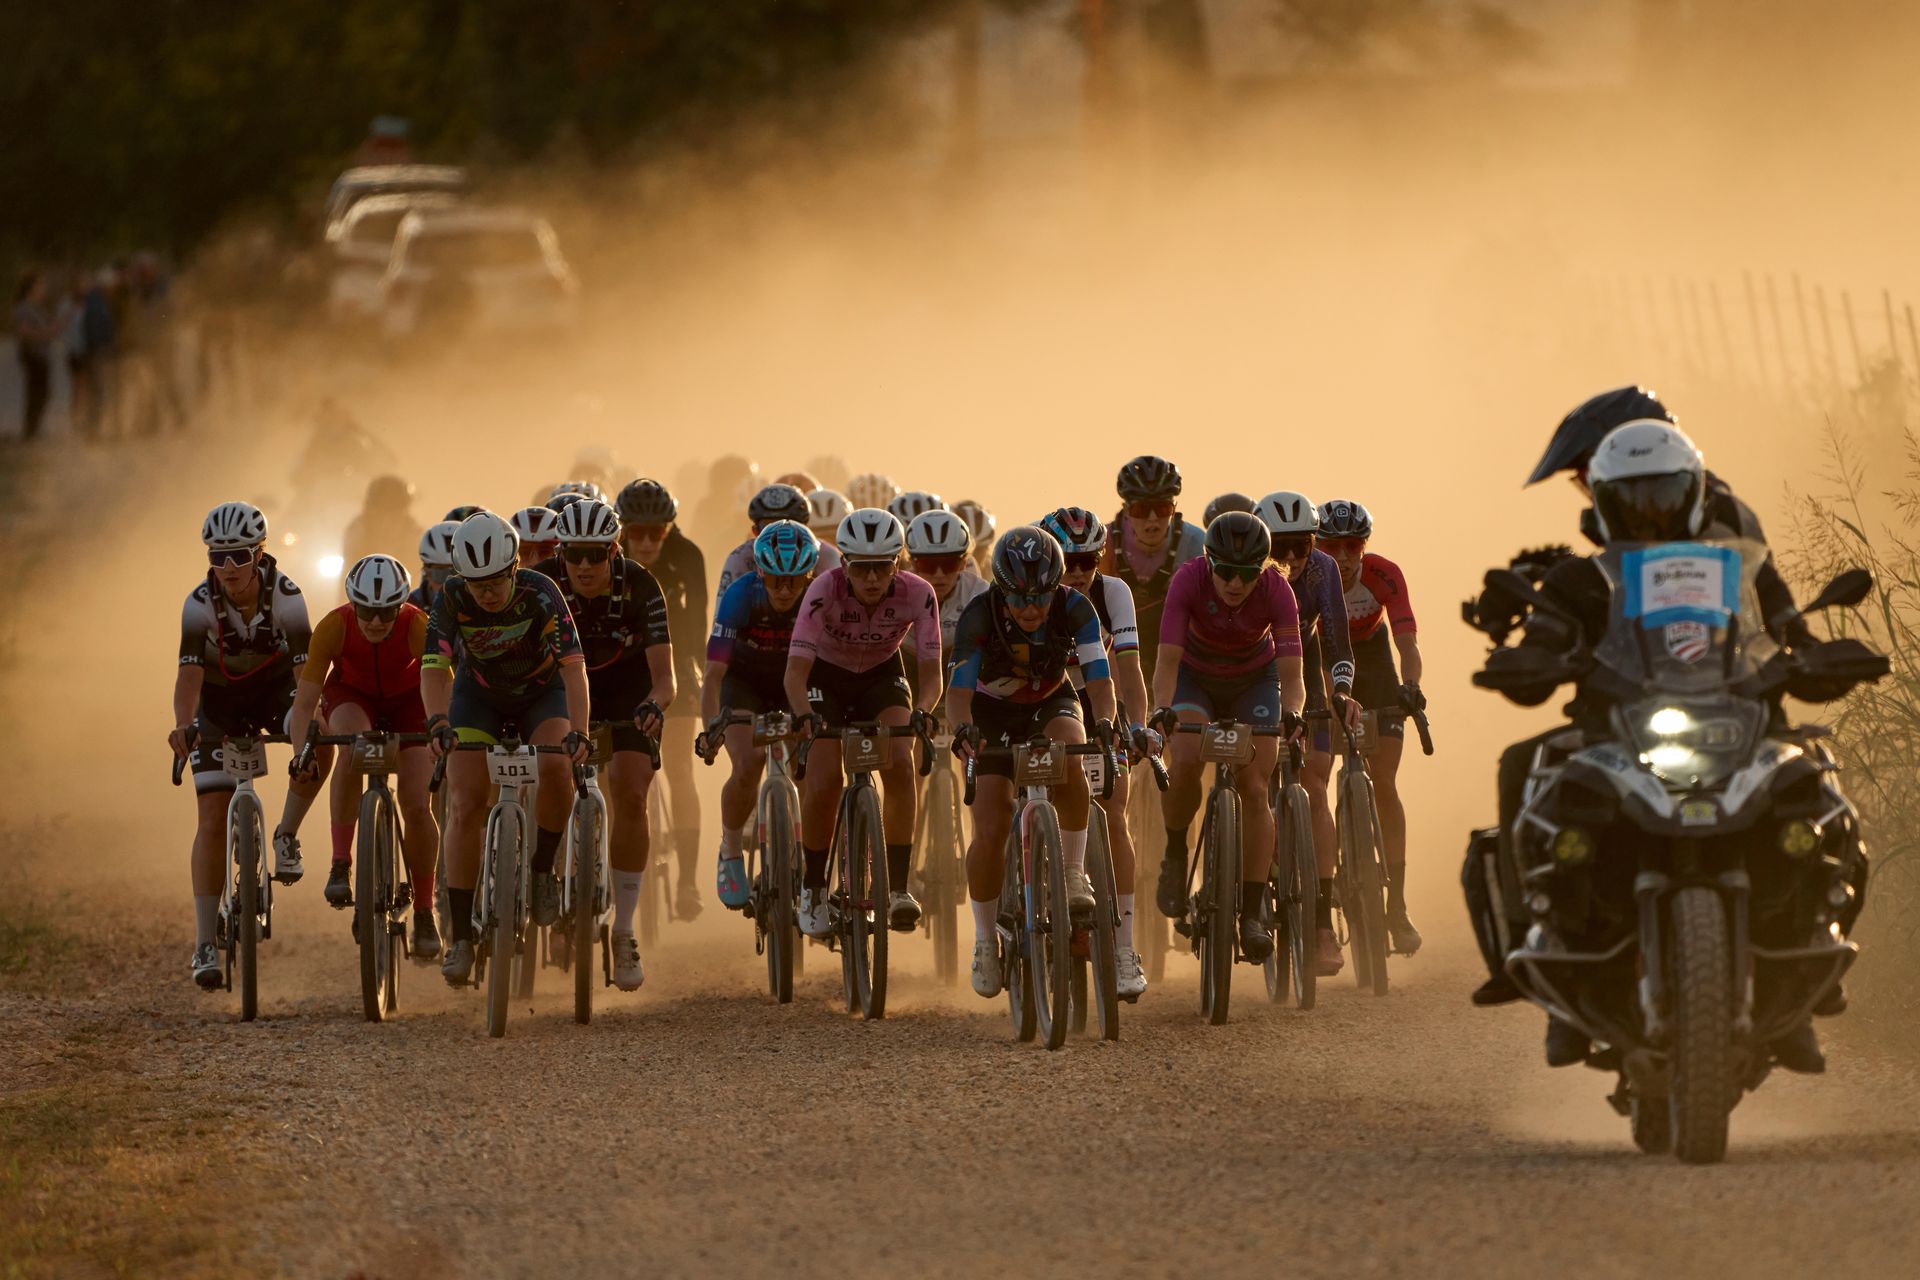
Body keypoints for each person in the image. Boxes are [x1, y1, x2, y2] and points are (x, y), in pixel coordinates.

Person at [1476, 419, 1829, 1074]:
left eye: (1662, 494)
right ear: (1603, 504)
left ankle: (1808, 974)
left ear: (1693, 494)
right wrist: (1530, 660)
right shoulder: (1582, 580)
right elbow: (1545, 639)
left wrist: (1819, 655)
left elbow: (1790, 629)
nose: (1649, 511)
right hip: (1616, 734)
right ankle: (1545, 947)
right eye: (1630, 498)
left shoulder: (1742, 568)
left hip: (1741, 725)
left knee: (1815, 788)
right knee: (1529, 768)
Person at [949, 526, 1119, 998]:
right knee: (990, 824)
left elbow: (1099, 682)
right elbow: (958, 695)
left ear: (1056, 588)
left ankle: (1071, 873)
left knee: (1071, 750)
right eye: (1020, 598)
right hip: (991, 710)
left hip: (1050, 701)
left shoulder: (1075, 608)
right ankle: (985, 940)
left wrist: (1106, 720)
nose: (1031, 609)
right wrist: (964, 730)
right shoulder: (978, 614)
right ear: (1001, 589)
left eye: (1041, 597)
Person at [422, 512, 592, 986]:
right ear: (462, 579)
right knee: (464, 803)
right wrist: (437, 720)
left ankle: (542, 871)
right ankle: (460, 935)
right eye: (477, 585)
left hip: (542, 693)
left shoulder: (542, 593)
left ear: (515, 567)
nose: (488, 594)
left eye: (496, 581)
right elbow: (434, 666)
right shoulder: (452, 596)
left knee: (558, 769)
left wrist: (578, 731)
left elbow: (574, 668)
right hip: (478, 699)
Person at [169, 502, 328, 989]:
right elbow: (189, 676)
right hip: (217, 700)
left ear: (260, 553)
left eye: (238, 556)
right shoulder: (197, 604)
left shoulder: (289, 597)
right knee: (212, 818)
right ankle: (202, 944)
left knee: (318, 742)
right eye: (219, 558)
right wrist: (182, 725)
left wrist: (305, 740)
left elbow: (305, 678)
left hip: (274, 692)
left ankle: (286, 833)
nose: (229, 568)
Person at [1149, 511, 1307, 963]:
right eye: (1226, 572)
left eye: (1247, 574)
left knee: (1256, 786)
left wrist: (1292, 712)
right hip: (1194, 680)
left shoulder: (1278, 589)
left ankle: (1253, 910)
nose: (1236, 584)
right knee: (1185, 757)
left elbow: (1291, 673)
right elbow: (1166, 663)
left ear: (1263, 568)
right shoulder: (1188, 581)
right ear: (1208, 563)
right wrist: (1162, 707)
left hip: (1253, 682)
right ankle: (1176, 857)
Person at [531, 499, 674, 991]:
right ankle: (543, 874)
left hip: (626, 693)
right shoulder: (541, 582)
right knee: (549, 779)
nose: (586, 566)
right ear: (560, 552)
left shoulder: (641, 584)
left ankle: (625, 929)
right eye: (575, 555)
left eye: (596, 554)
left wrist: (656, 704)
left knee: (630, 791)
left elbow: (665, 678)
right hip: (557, 691)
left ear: (614, 549)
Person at [783, 508, 943, 935]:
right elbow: (795, 673)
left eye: (882, 567)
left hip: (881, 677)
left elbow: (930, 674)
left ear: (898, 563)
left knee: (901, 762)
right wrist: (803, 717)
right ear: (844, 565)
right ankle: (813, 888)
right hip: (825, 680)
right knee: (823, 780)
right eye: (862, 569)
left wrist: (924, 710)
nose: (872, 579)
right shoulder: (823, 590)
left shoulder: (919, 593)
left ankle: (898, 889)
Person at [287, 554, 440, 956]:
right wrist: (301, 751)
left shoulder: (418, 626)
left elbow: (443, 687)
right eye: (367, 611)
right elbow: (305, 704)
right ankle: (341, 861)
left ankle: (425, 909)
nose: (375, 621)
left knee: (416, 803)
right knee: (354, 746)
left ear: (401, 605)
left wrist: (443, 737)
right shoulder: (333, 627)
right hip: (352, 696)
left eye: (386, 611)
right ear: (352, 605)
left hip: (410, 702)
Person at [1040, 506, 1155, 999]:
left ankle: (1124, 947)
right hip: (1044, 698)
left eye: (1089, 560)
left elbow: (1129, 669)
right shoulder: (1034, 596)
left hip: (1099, 694)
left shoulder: (1114, 594)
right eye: (1069, 560)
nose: (1080, 571)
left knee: (1114, 811)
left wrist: (1138, 726)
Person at [1255, 490, 1362, 975]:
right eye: (1281, 548)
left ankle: (1320, 923)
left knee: (1317, 786)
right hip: (1254, 668)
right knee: (1254, 783)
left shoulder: (1323, 570)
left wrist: (1340, 690)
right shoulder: (1248, 570)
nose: (1293, 559)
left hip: (1307, 666)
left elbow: (1338, 638)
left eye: (1302, 546)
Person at [1317, 498, 1424, 953]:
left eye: (1353, 545)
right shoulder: (1308, 579)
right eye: (1332, 545)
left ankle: (1396, 907)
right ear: (1318, 545)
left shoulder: (1384, 574)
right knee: (1314, 775)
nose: (1343, 556)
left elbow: (1407, 641)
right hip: (1321, 659)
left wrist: (1412, 686)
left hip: (1374, 662)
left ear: (1365, 547)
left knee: (1384, 783)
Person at [698, 520, 822, 909]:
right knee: (748, 762)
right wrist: (710, 731)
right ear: (760, 573)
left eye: (795, 581)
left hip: (799, 682)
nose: (785, 591)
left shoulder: (817, 599)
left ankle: (812, 855)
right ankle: (731, 850)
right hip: (745, 683)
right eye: (775, 582)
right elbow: (714, 674)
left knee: (815, 768)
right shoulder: (740, 595)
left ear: (809, 576)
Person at [615, 478, 709, 919]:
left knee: (678, 766)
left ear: (671, 529)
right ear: (623, 531)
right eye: (638, 532)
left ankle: (688, 881)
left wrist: (692, 674)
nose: (649, 541)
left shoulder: (687, 555)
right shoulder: (607, 556)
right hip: (621, 663)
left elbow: (697, 618)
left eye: (658, 532)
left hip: (674, 661)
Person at [1101, 456, 1206, 692]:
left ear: (1174, 509)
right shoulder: (1105, 543)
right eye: (1140, 509)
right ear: (1126, 510)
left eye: (1161, 508)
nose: (1152, 520)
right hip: (1117, 639)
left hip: (1176, 640)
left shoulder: (1196, 543)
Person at [716, 483, 841, 596]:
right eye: (768, 527)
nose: (778, 535)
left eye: (788, 526)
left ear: (806, 529)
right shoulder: (740, 558)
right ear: (755, 532)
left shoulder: (827, 555)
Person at [342, 475, 423, 573]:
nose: (387, 521)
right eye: (381, 511)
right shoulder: (359, 527)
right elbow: (351, 555)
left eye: (394, 514)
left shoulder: (412, 530)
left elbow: (418, 563)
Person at [12, 271, 57, 440]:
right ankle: (30, 429)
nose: (43, 290)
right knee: (36, 392)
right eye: (40, 286)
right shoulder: (24, 307)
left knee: (41, 392)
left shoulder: (38, 308)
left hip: (40, 355)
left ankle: (33, 428)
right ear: (31, 288)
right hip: (32, 354)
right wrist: (45, 334)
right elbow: (24, 331)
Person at [411, 520, 460, 612]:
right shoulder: (410, 606)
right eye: (441, 574)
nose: (450, 586)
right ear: (426, 572)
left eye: (460, 575)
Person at [952, 500, 996, 579]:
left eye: (979, 550)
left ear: (988, 549)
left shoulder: (998, 575)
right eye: (964, 553)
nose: (972, 559)